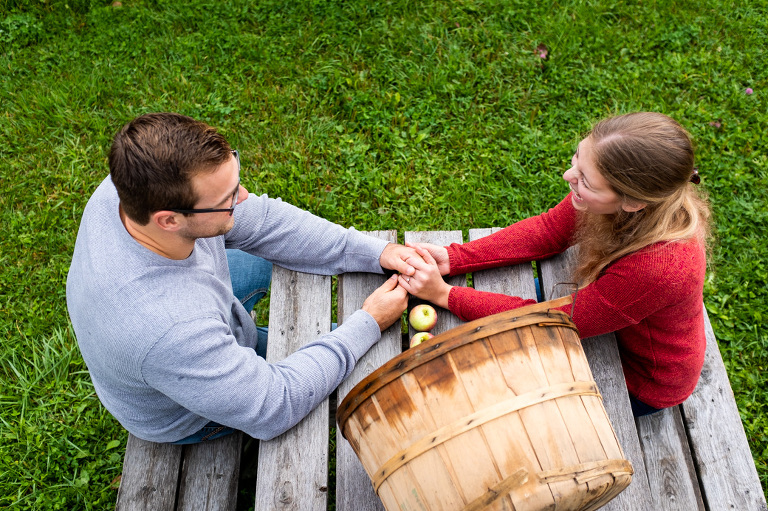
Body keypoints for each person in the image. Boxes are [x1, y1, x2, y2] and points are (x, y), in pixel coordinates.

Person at [66, 112, 417, 443]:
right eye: (228, 198)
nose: (245, 197)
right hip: (186, 414)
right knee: (332, 377)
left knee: (270, 257)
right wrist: (369, 321)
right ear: (169, 220)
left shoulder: (130, 186)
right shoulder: (171, 330)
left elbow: (265, 222)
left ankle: (249, 344)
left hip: (172, 319)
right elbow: (276, 406)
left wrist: (374, 252)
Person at [399, 112, 710, 417]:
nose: (568, 176)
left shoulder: (660, 268)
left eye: (585, 179)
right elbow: (549, 230)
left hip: (638, 379)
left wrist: (445, 296)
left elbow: (556, 320)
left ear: (632, 202)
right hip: (611, 323)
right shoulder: (617, 199)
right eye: (577, 158)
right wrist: (455, 258)